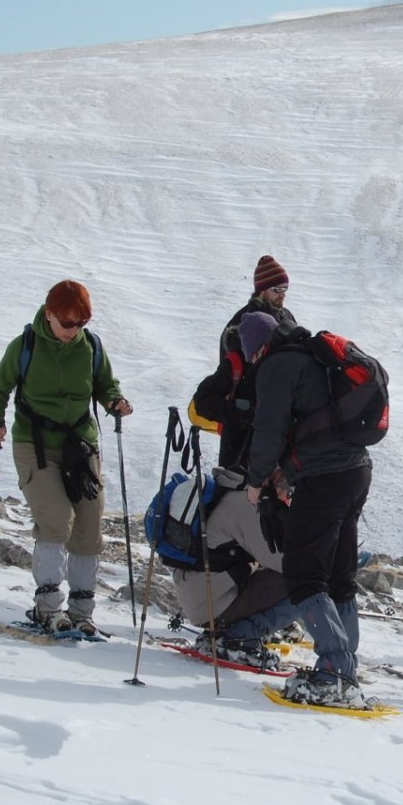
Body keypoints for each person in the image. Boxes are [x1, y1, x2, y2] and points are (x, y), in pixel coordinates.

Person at [0, 280, 132, 635]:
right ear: (49, 314)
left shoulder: (91, 347)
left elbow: (105, 385)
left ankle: (82, 614)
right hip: (34, 443)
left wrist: (115, 401)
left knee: (89, 524)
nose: (75, 330)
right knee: (56, 519)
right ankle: (48, 609)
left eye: (82, 323)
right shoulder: (25, 347)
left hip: (80, 445)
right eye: (68, 323)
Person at [242, 312, 374, 708]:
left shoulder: (278, 364)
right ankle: (344, 670)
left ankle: (334, 671)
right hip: (356, 471)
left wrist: (256, 481)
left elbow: (269, 428)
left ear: (256, 348)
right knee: (339, 573)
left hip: (326, 478)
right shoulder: (312, 357)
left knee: (303, 572)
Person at [166, 466, 297, 669]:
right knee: (305, 582)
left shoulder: (229, 492)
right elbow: (281, 561)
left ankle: (222, 633)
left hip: (200, 596)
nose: (287, 499)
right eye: (288, 491)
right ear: (276, 482)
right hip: (210, 603)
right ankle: (240, 638)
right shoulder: (246, 504)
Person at [204, 255, 301, 471]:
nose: (282, 295)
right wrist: (243, 413)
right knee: (237, 490)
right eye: (277, 289)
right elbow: (230, 371)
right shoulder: (242, 324)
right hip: (243, 425)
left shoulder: (286, 317)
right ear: (262, 289)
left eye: (285, 289)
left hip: (276, 424)